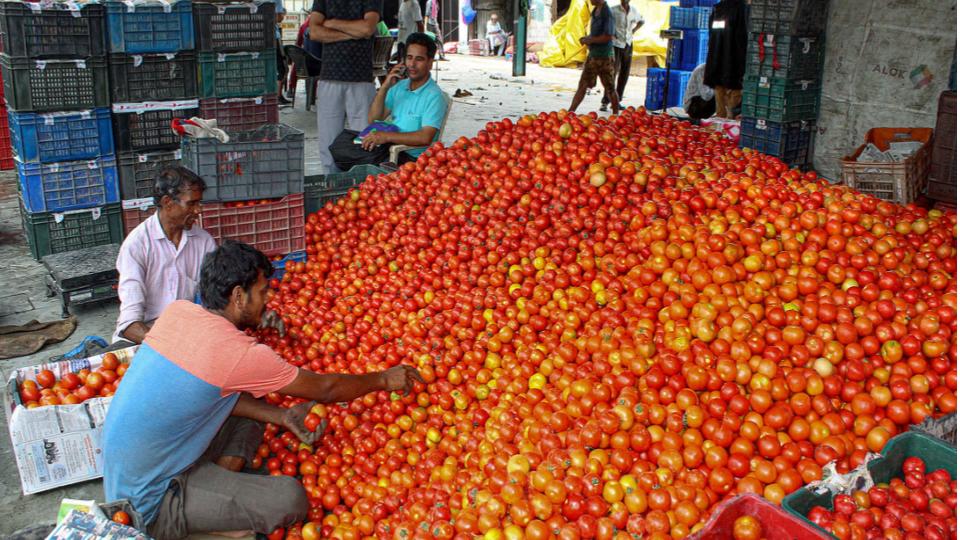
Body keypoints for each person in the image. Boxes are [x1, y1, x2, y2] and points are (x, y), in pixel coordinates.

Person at [102, 240, 425, 540]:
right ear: (239, 296)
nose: (268, 299)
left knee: (251, 404)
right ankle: (202, 515)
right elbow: (326, 389)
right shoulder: (238, 353)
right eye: (263, 291)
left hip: (135, 467)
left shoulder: (178, 312)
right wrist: (383, 379)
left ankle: (218, 482)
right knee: (290, 498)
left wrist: (282, 417)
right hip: (149, 502)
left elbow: (205, 393)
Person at [114, 167, 216, 345]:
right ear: (168, 203)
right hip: (146, 337)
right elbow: (129, 324)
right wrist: (169, 345)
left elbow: (216, 296)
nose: (198, 210)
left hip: (185, 334)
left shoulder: (204, 242)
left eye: (199, 203)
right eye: (192, 203)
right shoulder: (137, 246)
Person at [329, 32, 448, 170]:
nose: (412, 64)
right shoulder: (400, 86)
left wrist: (386, 137)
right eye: (409, 58)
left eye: (419, 59)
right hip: (387, 145)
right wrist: (385, 86)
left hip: (408, 157)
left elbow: (425, 137)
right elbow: (374, 118)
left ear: (430, 63)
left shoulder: (434, 96)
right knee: (341, 143)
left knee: (348, 157)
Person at [309, 0, 383, 174]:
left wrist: (333, 23)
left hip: (361, 80)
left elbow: (367, 29)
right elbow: (314, 32)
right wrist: (353, 32)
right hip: (330, 78)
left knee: (365, 143)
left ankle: (363, 190)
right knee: (328, 145)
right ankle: (331, 189)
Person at [569, 0, 620, 114]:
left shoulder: (607, 13)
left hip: (605, 57)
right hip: (593, 55)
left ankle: (616, 115)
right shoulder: (595, 10)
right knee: (583, 84)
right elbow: (596, 34)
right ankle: (570, 112)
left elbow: (608, 36)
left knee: (610, 87)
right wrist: (587, 38)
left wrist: (590, 40)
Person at [600, 0, 643, 111]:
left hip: (628, 44)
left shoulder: (633, 11)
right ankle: (605, 101)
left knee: (625, 73)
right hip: (616, 45)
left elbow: (642, 21)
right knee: (612, 73)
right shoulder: (613, 10)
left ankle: (617, 101)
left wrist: (633, 31)